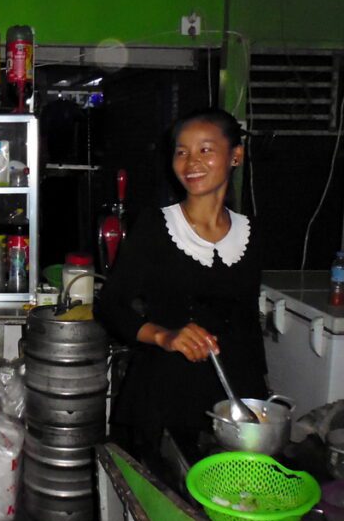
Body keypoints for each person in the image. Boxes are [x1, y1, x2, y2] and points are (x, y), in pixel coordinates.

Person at [94, 108, 267, 464]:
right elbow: (110, 305)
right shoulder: (156, 227)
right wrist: (164, 336)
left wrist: (259, 395)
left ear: (235, 155)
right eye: (181, 151)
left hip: (233, 398)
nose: (190, 162)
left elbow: (248, 322)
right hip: (165, 396)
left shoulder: (251, 233)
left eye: (205, 150)